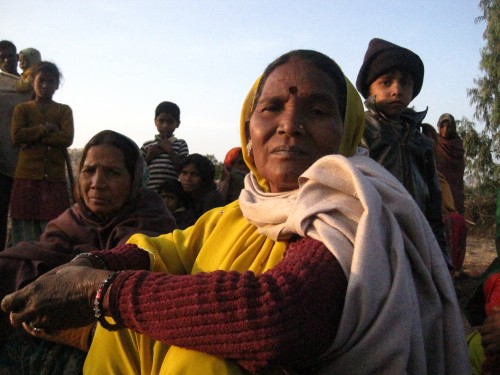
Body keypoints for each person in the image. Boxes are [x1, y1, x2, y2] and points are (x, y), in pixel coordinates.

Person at [1, 50, 469, 374]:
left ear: (346, 131)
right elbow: (167, 250)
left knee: (204, 356)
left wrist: (101, 292)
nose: (289, 124)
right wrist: (98, 264)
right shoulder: (239, 210)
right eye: (272, 107)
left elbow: (275, 316)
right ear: (249, 128)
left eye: (318, 109)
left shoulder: (352, 206)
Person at [0, 130, 176, 374]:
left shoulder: (153, 225)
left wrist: (75, 331)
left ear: (134, 180)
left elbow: (139, 298)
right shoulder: (68, 222)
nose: (97, 184)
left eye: (113, 173)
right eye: (89, 171)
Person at [356, 37, 450, 267]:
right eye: (386, 83)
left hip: (418, 235)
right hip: (375, 237)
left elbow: (434, 202)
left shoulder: (421, 140)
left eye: (405, 84)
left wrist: (441, 254)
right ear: (370, 89)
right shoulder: (360, 131)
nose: (397, 91)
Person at [10, 61, 74, 246]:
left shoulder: (64, 110)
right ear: (33, 81)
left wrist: (33, 137)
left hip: (54, 180)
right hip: (26, 178)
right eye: (41, 80)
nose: (46, 85)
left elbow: (66, 138)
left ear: (57, 84)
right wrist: (46, 129)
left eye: (51, 81)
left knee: (54, 228)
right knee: (24, 229)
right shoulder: (22, 109)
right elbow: (16, 136)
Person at [0, 40, 32, 250]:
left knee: (25, 216)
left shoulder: (30, 83)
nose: (6, 60)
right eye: (2, 56)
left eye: (10, 55)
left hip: (27, 160)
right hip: (1, 162)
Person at [141, 101, 189, 193]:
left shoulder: (180, 144)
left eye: (170, 122)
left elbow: (183, 169)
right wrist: (149, 157)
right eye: (161, 121)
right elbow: (138, 169)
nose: (165, 125)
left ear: (177, 123)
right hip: (149, 192)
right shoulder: (147, 145)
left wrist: (170, 151)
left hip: (170, 193)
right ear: (155, 121)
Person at [178, 153, 224, 220]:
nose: (187, 178)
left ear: (204, 177)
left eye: (194, 174)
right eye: (184, 173)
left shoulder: (211, 199)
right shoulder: (185, 195)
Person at [436, 113, 466, 214]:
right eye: (442, 126)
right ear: (438, 127)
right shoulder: (433, 143)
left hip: (456, 194)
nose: (445, 129)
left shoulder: (458, 146)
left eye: (448, 127)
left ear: (453, 128)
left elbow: (459, 173)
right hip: (438, 193)